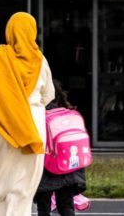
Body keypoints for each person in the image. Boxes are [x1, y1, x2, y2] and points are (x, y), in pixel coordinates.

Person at [0, 12, 55, 216]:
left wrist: (5, 104)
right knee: (23, 188)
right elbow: (48, 95)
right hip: (31, 127)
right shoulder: (40, 61)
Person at [33, 81, 87, 216]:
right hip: (68, 169)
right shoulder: (69, 115)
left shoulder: (39, 117)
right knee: (66, 207)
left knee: (43, 209)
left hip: (46, 170)